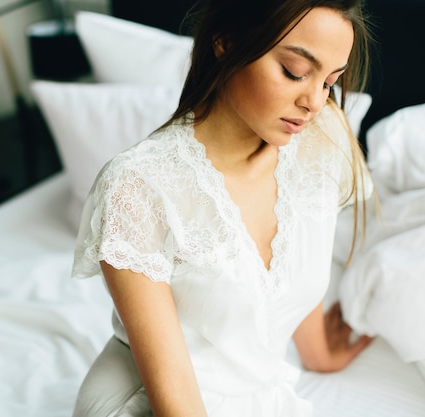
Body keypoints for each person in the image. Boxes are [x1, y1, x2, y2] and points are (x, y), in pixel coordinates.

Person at [71, 0, 375, 415]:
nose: (315, 102)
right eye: (295, 72)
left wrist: (319, 354)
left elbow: (289, 267)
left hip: (259, 392)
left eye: (329, 82)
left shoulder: (322, 140)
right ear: (226, 42)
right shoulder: (137, 184)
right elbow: (175, 403)